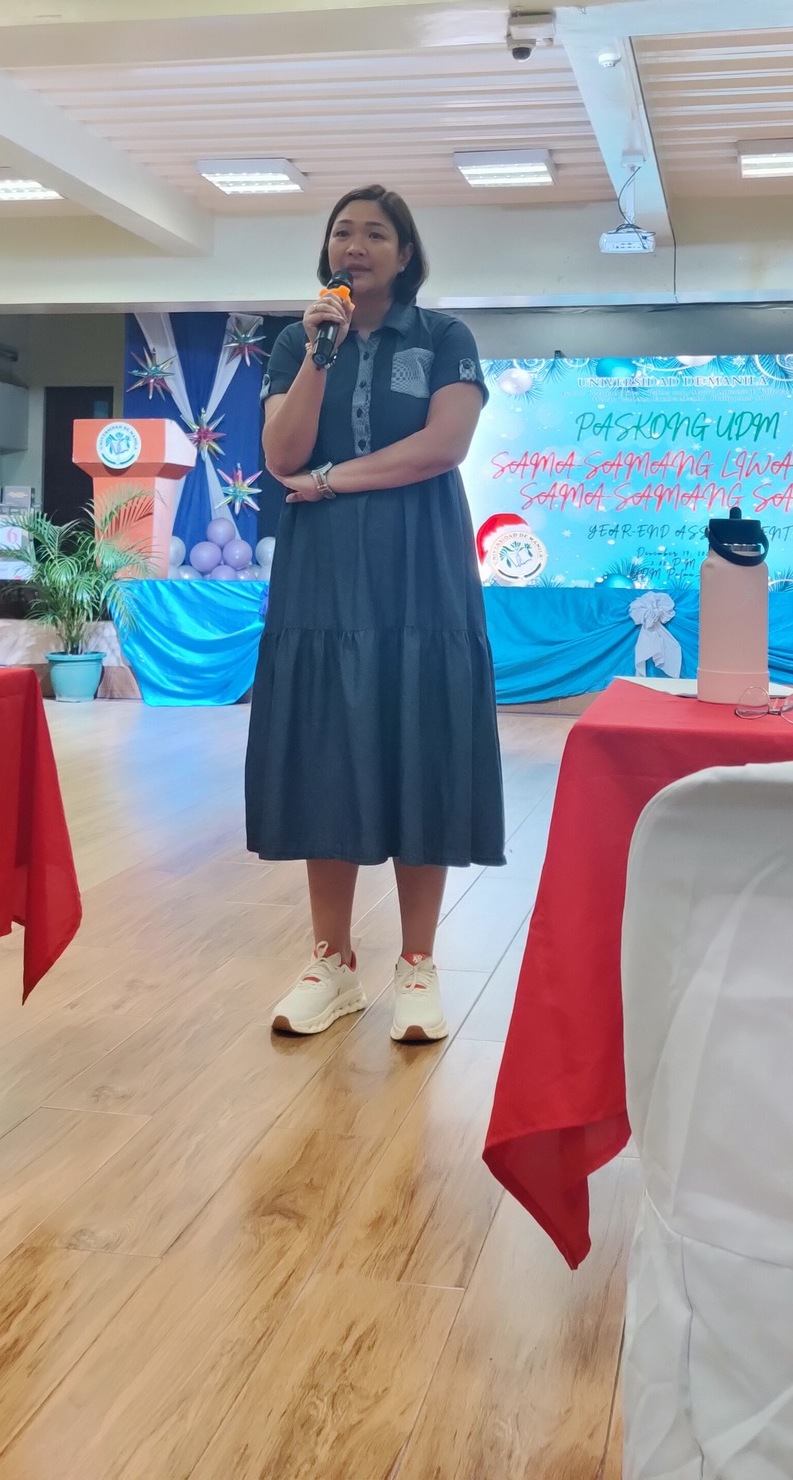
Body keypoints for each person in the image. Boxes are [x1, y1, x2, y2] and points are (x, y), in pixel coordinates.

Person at [247, 184, 504, 1044]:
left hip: (420, 563)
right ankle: (332, 964)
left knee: (420, 741)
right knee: (327, 746)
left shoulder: (443, 337)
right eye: (342, 233)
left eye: (375, 235)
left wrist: (328, 481)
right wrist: (318, 359)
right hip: (322, 574)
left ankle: (418, 965)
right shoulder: (297, 341)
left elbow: (443, 447)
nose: (354, 246)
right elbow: (280, 452)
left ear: (405, 254)